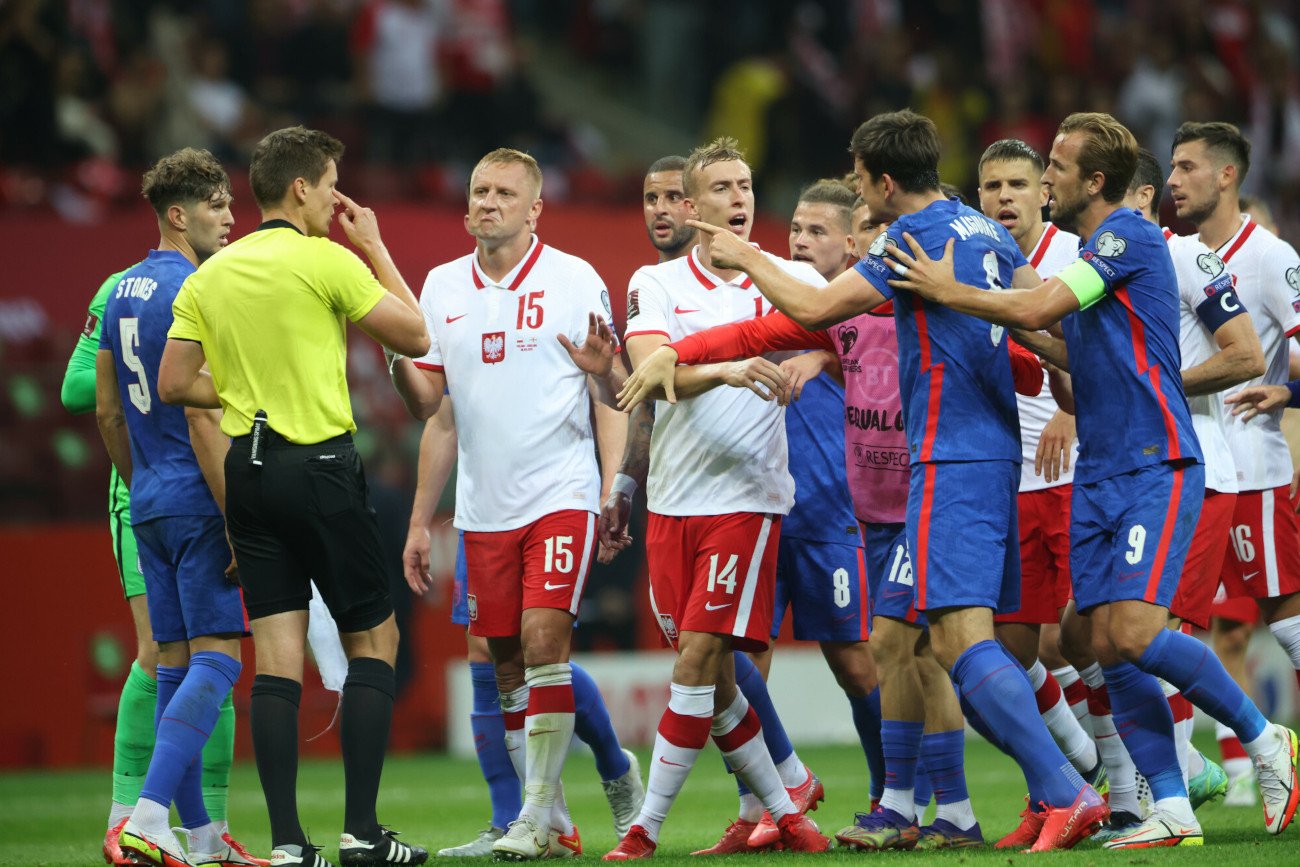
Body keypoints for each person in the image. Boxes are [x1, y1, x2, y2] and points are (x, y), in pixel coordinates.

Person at [627, 110, 1109, 852]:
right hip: (984, 455)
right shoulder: (982, 231)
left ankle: (1070, 780)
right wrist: (1085, 379)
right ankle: (914, 801)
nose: (855, 189)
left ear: (885, 181)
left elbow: (813, 307)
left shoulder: (906, 239)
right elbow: (1037, 330)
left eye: (857, 177)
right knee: (901, 638)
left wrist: (746, 258)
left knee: (961, 641)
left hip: (950, 457)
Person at [887, 111, 1299, 847]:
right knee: (1098, 641)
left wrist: (950, 291)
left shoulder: (1126, 235)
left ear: (1095, 180)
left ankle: (1265, 736)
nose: (1047, 177)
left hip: (1155, 462)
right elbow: (1058, 339)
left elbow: (1040, 305)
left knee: (1136, 632)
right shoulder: (1084, 255)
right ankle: (1169, 804)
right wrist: (1001, 330)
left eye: (1055, 165)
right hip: (1100, 471)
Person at [157, 126, 431, 867]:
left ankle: (285, 844)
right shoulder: (325, 258)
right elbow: (416, 331)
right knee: (374, 641)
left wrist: (245, 389)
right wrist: (373, 244)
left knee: (277, 658)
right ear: (301, 187)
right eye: (332, 181)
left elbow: (175, 382)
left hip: (250, 475)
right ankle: (364, 835)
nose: (337, 198)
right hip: (321, 468)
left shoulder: (211, 273)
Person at [388, 147, 628, 862]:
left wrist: (614, 485)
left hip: (561, 492)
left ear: (535, 208)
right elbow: (435, 410)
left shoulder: (573, 278)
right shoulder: (440, 287)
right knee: (502, 664)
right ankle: (548, 818)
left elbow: (609, 393)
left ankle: (531, 815)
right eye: (479, 191)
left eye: (504, 192)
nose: (488, 202)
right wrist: (420, 521)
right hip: (483, 508)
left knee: (544, 640)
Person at [602, 138, 831, 860]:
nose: (740, 198)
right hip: (675, 499)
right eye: (723, 188)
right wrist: (733, 372)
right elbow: (650, 368)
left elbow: (842, 322)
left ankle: (644, 827)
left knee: (698, 657)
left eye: (747, 184)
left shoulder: (787, 276)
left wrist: (817, 355)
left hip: (747, 494)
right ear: (692, 206)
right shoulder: (656, 282)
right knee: (720, 677)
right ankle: (787, 802)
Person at [94, 147, 261, 867]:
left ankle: (197, 838)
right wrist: (233, 515)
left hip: (149, 499)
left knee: (173, 663)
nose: (230, 217)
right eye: (218, 205)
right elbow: (203, 413)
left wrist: (140, 481)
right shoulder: (200, 290)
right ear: (177, 213)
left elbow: (105, 410)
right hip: (198, 495)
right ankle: (150, 815)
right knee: (222, 659)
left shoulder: (121, 290)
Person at [974, 140, 1113, 832]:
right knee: (1011, 655)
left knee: (1090, 636)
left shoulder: (1072, 257)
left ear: (1043, 193)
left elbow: (1101, 347)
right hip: (1005, 480)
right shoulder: (970, 258)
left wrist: (1065, 408)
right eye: (992, 184)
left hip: (1073, 473)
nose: (1004, 196)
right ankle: (1066, 784)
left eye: (1018, 184)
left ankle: (1137, 777)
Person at [1167, 121, 1300, 745]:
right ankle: (1184, 775)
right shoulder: (1169, 252)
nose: (1172, 180)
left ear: (1227, 175)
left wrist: (1289, 391)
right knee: (1167, 628)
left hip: (1255, 473)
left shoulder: (1272, 258)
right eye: (1170, 168)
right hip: (1188, 470)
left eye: (1187, 167)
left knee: (1285, 623)